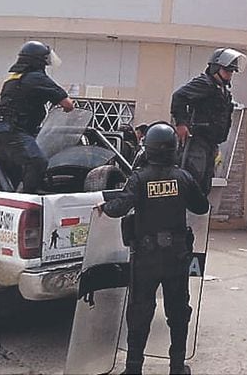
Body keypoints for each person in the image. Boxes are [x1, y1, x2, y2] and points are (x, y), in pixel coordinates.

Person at [97, 122, 209, 375]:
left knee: (140, 311)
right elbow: (201, 207)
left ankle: (133, 368)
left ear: (148, 149)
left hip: (146, 258)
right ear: (173, 149)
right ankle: (177, 367)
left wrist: (103, 206)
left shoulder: (139, 178)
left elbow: (119, 208)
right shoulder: (183, 177)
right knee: (178, 312)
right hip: (177, 257)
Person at [0, 40, 74, 193]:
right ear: (39, 60)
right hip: (13, 130)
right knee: (37, 162)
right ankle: (28, 198)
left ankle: (9, 200)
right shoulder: (37, 78)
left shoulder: (14, 78)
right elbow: (68, 104)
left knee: (11, 175)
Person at [170, 47, 245, 195]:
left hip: (211, 144)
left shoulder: (222, 90)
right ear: (215, 68)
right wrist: (181, 123)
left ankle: (200, 209)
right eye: (227, 70)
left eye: (231, 71)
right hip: (197, 142)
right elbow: (179, 96)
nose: (230, 74)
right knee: (193, 180)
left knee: (205, 184)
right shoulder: (204, 83)